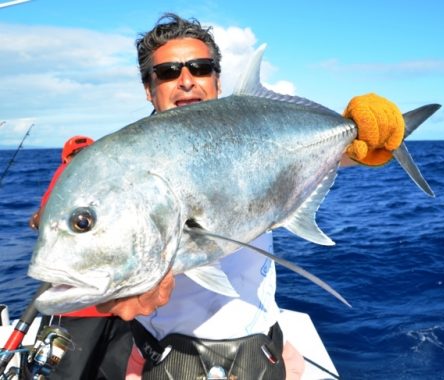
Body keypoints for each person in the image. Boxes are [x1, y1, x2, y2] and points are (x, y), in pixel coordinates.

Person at [92, 13, 405, 380]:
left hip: (263, 352)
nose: (187, 80)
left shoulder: (256, 138)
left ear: (217, 81)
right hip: (163, 356)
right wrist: (114, 296)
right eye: (168, 72)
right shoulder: (125, 169)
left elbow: (314, 152)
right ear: (149, 88)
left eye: (200, 67)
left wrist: (365, 140)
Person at [30, 136, 135, 380]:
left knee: (57, 373)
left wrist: (35, 220)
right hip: (123, 303)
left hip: (75, 308)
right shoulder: (115, 178)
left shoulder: (67, 174)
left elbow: (46, 218)